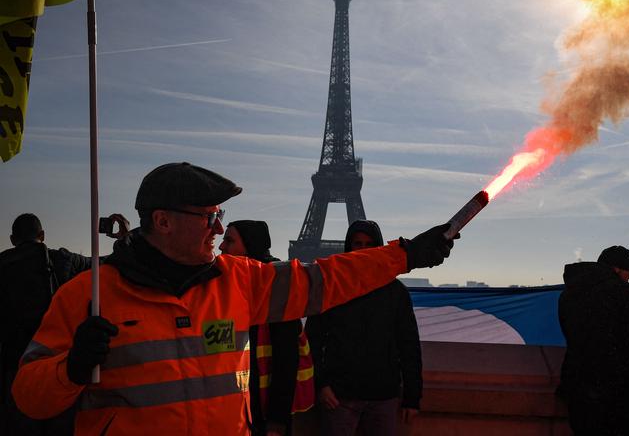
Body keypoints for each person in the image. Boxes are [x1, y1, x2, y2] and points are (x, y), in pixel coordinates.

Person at [11, 162, 455, 435]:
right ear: (162, 221)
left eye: (219, 216)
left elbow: (329, 278)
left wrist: (406, 254)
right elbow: (29, 397)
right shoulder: (88, 294)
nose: (219, 229)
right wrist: (67, 370)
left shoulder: (241, 281)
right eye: (208, 216)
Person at [0, 212, 129, 436]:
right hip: (60, 362)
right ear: (42, 235)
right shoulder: (63, 260)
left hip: (13, 366)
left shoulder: (2, 265)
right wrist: (124, 239)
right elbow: (106, 266)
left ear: (12, 239)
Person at [306, 220, 422, 436]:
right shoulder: (333, 287)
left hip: (380, 397)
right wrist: (322, 385)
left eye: (368, 244)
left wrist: (412, 397)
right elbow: (312, 339)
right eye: (358, 243)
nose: (363, 249)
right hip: (341, 396)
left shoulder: (395, 293)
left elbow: (409, 346)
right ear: (349, 247)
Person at [219, 220, 314, 436]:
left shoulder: (276, 285)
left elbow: (286, 359)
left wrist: (276, 421)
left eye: (229, 240)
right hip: (240, 409)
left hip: (263, 414)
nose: (221, 246)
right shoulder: (238, 283)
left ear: (250, 246)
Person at [558, 245, 629, 436]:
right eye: (628, 275)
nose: (628, 281)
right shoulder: (623, 294)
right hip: (617, 395)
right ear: (617, 269)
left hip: (578, 388)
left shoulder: (568, 295)